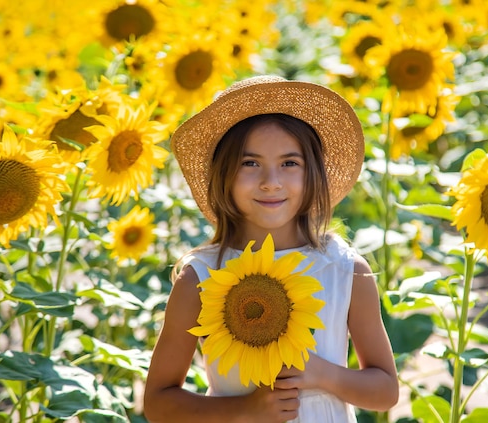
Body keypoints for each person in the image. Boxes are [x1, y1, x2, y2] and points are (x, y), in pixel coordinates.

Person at [144, 75, 398, 423]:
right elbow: (158, 403)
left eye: (289, 163)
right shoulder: (200, 277)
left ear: (314, 175)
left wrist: (320, 373)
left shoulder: (345, 269)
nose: (271, 182)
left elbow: (386, 391)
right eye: (250, 163)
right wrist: (245, 410)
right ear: (224, 175)